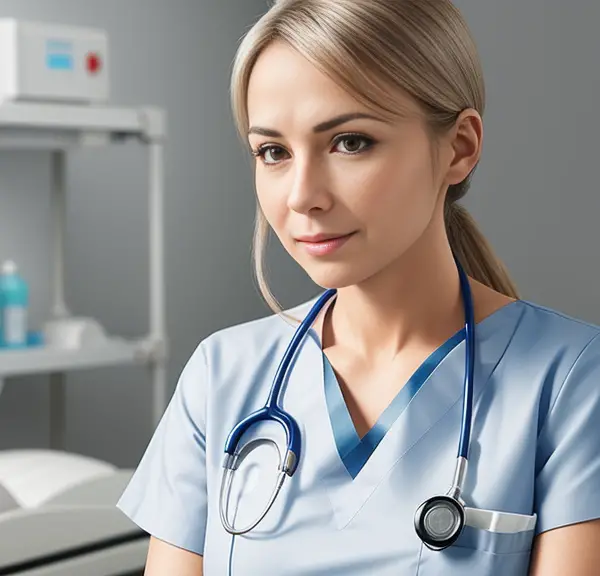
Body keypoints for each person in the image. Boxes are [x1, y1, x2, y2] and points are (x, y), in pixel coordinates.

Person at [116, 0, 600, 574]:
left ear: (459, 148)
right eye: (273, 152)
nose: (301, 195)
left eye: (349, 142)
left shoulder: (572, 383)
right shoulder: (221, 377)